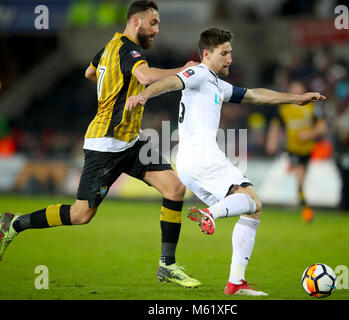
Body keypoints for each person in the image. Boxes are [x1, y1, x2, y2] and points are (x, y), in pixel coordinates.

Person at [0, 0, 201, 289]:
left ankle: (167, 265)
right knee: (81, 215)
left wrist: (112, 86)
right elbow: (145, 76)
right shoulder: (129, 49)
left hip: (131, 140)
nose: (156, 30)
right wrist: (185, 70)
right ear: (136, 21)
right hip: (106, 144)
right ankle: (15, 223)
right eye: (153, 23)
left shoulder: (109, 48)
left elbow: (90, 73)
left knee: (175, 189)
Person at [126, 27, 326, 295]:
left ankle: (235, 283)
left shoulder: (217, 83)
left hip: (190, 161)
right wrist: (144, 95)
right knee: (252, 201)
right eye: (224, 53)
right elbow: (172, 82)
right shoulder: (198, 73)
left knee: (252, 207)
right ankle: (211, 215)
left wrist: (296, 99)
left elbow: (255, 95)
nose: (230, 58)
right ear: (207, 54)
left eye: (231, 52)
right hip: (201, 155)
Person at [265, 81, 327, 222]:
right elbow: (275, 126)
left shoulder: (312, 107)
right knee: (299, 176)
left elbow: (322, 127)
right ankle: (305, 208)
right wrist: (271, 142)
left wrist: (308, 135)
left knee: (302, 178)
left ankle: (302, 199)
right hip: (293, 148)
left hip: (309, 149)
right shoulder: (284, 108)